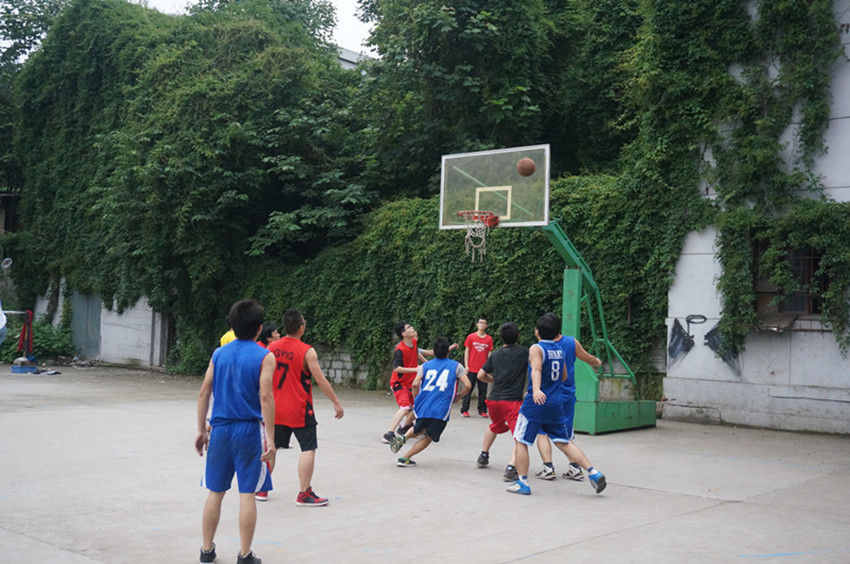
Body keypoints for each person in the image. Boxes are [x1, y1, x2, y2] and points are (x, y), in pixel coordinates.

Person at [195, 299, 276, 564]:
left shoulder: (219, 354)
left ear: (232, 325)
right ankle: (244, 554)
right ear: (259, 328)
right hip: (248, 430)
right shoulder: (265, 356)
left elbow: (204, 392)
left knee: (215, 492)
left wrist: (201, 430)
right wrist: (271, 439)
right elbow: (266, 397)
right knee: (247, 494)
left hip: (219, 429)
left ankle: (206, 550)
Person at [507, 313, 606, 496]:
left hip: (536, 404)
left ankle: (523, 483)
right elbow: (564, 376)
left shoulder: (536, 348)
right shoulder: (560, 350)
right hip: (556, 402)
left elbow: (536, 369)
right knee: (563, 441)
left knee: (520, 440)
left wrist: (537, 389)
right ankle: (593, 472)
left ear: (537, 331)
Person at [262, 309, 344, 506]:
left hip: (275, 407)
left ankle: (262, 488)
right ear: (301, 328)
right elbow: (320, 380)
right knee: (308, 449)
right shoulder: (307, 351)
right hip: (299, 408)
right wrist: (336, 401)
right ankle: (304, 493)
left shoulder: (272, 347)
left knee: (273, 447)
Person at [534, 313, 600, 482]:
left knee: (542, 432)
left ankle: (548, 467)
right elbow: (587, 358)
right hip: (567, 394)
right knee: (566, 434)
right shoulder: (571, 342)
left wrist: (533, 390)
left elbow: (536, 371)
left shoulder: (540, 348)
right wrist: (597, 362)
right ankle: (575, 468)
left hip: (547, 395)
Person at [390, 337, 471, 466]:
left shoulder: (425, 366)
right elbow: (468, 385)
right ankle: (404, 458)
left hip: (424, 404)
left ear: (434, 351)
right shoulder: (456, 366)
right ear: (448, 351)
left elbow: (415, 384)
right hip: (441, 408)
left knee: (419, 427)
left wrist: (416, 398)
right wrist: (459, 396)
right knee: (430, 436)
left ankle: (405, 437)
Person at [474, 321, 527, 480]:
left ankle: (484, 455)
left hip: (494, 401)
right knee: (520, 437)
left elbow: (480, 375)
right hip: (512, 402)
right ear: (518, 336)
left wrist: (493, 380)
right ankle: (511, 468)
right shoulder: (524, 353)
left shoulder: (495, 355)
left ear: (501, 338)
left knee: (495, 425)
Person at [382, 321, 422, 444]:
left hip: (411, 383)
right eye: (409, 327)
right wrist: (415, 369)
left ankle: (405, 427)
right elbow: (397, 368)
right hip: (399, 383)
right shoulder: (399, 350)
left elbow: (417, 355)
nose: (412, 327)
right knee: (405, 408)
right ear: (404, 334)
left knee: (417, 406)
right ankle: (388, 434)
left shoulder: (414, 342)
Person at [460, 317, 493, 417]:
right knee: (468, 388)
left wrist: (489, 368)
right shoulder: (471, 337)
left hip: (483, 370)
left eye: (484, 323)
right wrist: (466, 366)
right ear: (477, 324)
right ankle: (464, 410)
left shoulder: (489, 339)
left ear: (486, 326)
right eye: (480, 322)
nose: (482, 324)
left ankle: (482, 410)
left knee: (483, 391)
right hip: (471, 368)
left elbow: (490, 354)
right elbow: (467, 351)